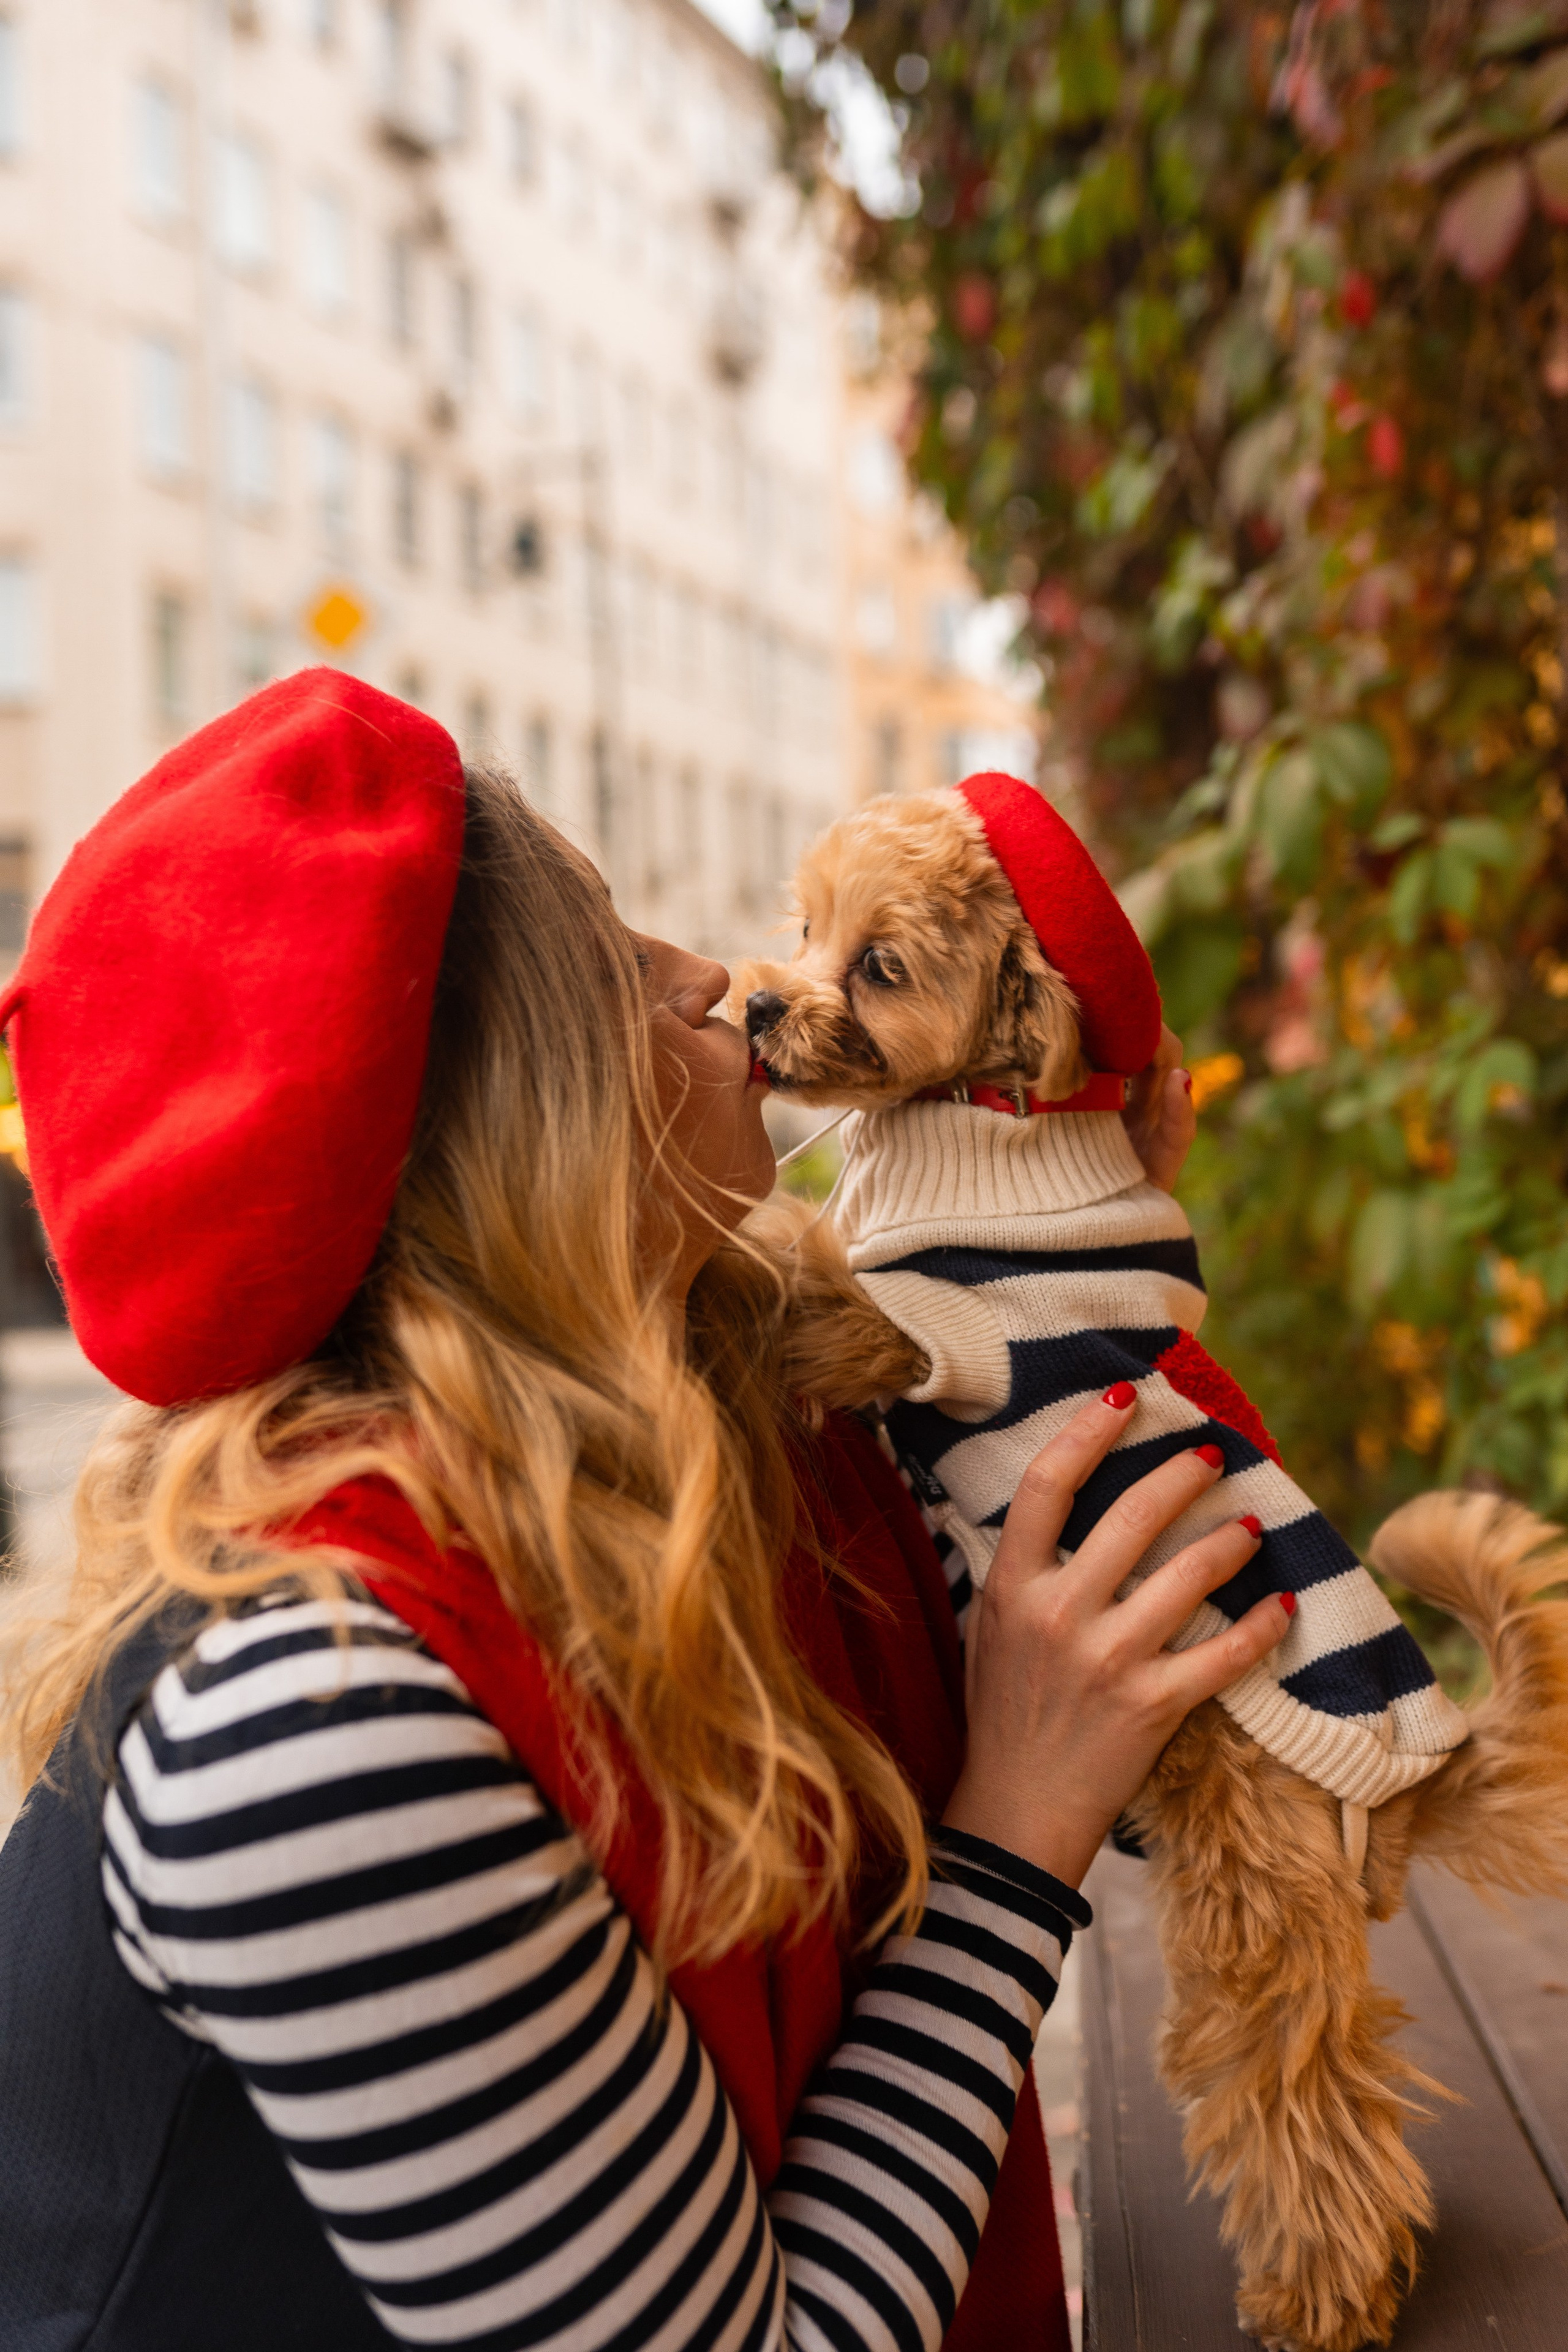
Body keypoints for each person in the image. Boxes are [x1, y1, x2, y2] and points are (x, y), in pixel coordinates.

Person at [0, 673, 1291, 2352]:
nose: (719, 981)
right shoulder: (310, 1727)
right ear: (490, 1141)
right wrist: (1017, 1832)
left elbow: (1112, 1644)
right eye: (615, 972)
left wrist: (1082, 1226)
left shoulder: (730, 1406)